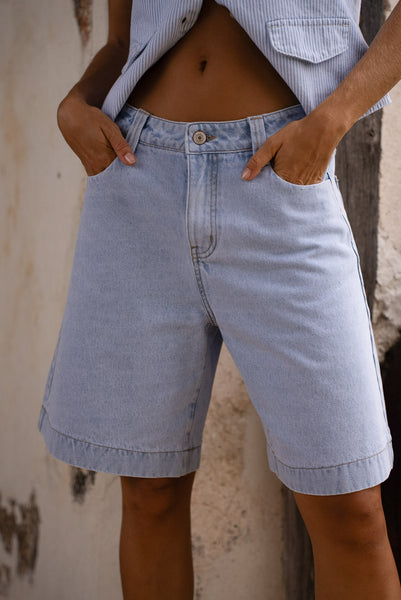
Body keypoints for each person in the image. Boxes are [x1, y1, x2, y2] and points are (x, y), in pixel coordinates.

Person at [37, 0, 401, 598]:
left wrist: (333, 118)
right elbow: (122, 42)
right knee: (149, 492)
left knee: (351, 508)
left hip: (282, 182)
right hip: (137, 179)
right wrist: (76, 103)